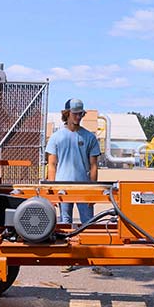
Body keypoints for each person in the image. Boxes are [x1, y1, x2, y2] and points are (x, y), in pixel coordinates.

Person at [45, 98, 111, 275]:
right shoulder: (57, 137)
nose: (78, 117)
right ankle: (66, 259)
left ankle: (95, 259)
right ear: (67, 114)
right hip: (62, 187)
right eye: (75, 113)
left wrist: (93, 190)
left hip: (83, 187)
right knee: (64, 223)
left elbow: (93, 166)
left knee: (88, 223)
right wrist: (51, 191)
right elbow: (52, 164)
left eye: (80, 113)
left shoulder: (89, 137)